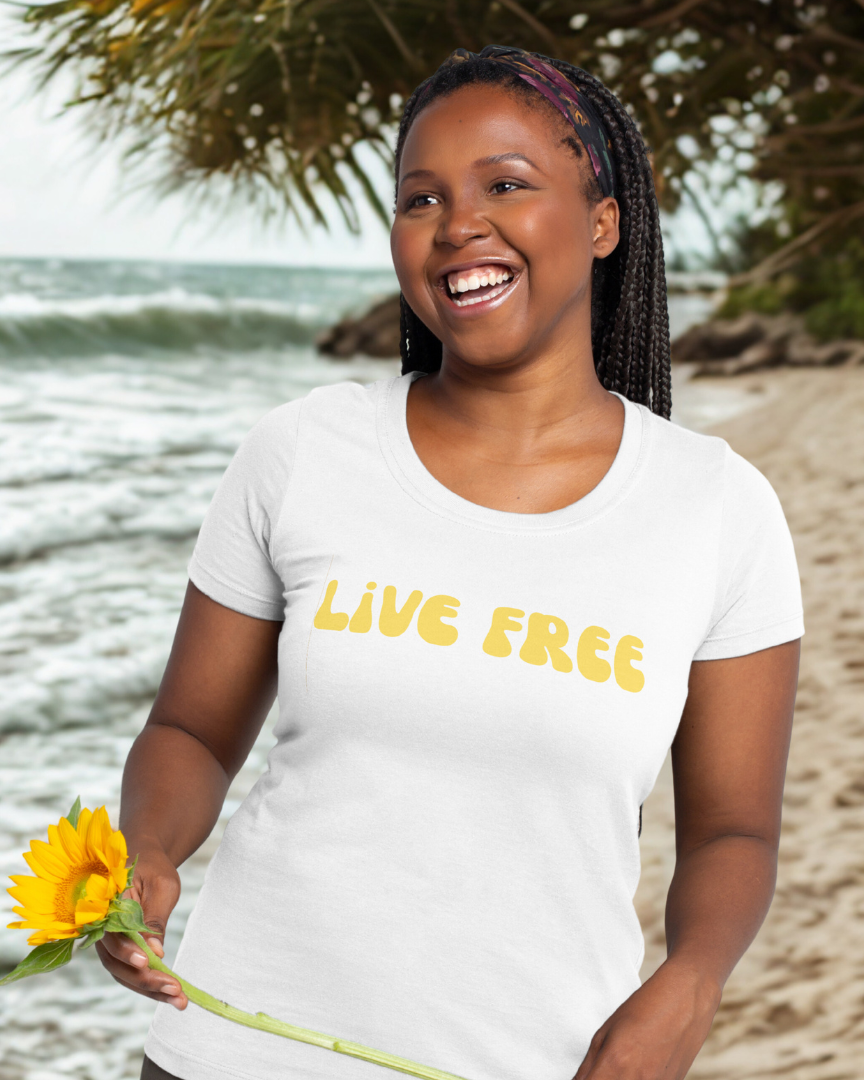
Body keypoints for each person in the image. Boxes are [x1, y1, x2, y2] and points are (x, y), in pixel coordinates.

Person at [97, 45, 803, 1080]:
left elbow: (735, 831)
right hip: (232, 1049)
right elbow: (192, 730)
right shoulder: (303, 451)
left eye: (506, 185)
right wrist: (151, 855)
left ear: (603, 221)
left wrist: (690, 984)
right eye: (419, 199)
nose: (458, 224)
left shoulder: (717, 508)